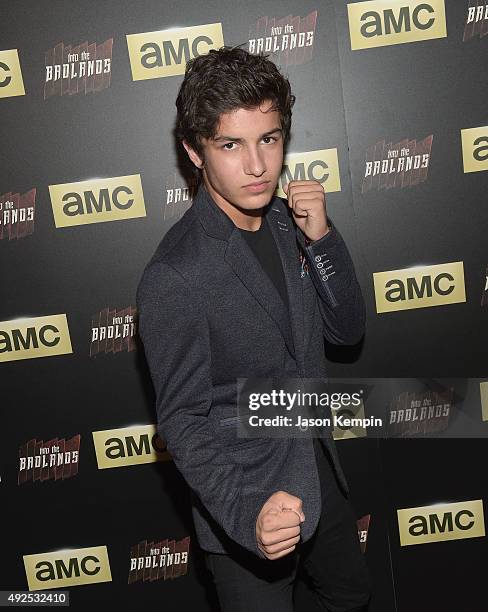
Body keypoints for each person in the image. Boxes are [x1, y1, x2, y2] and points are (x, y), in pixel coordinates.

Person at [136, 45, 371, 612]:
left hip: (316, 469)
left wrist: (323, 241)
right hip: (246, 509)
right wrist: (248, 513)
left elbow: (346, 331)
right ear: (195, 151)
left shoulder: (292, 224)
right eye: (230, 145)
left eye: (268, 139)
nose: (258, 166)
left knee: (354, 597)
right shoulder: (176, 273)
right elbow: (183, 422)